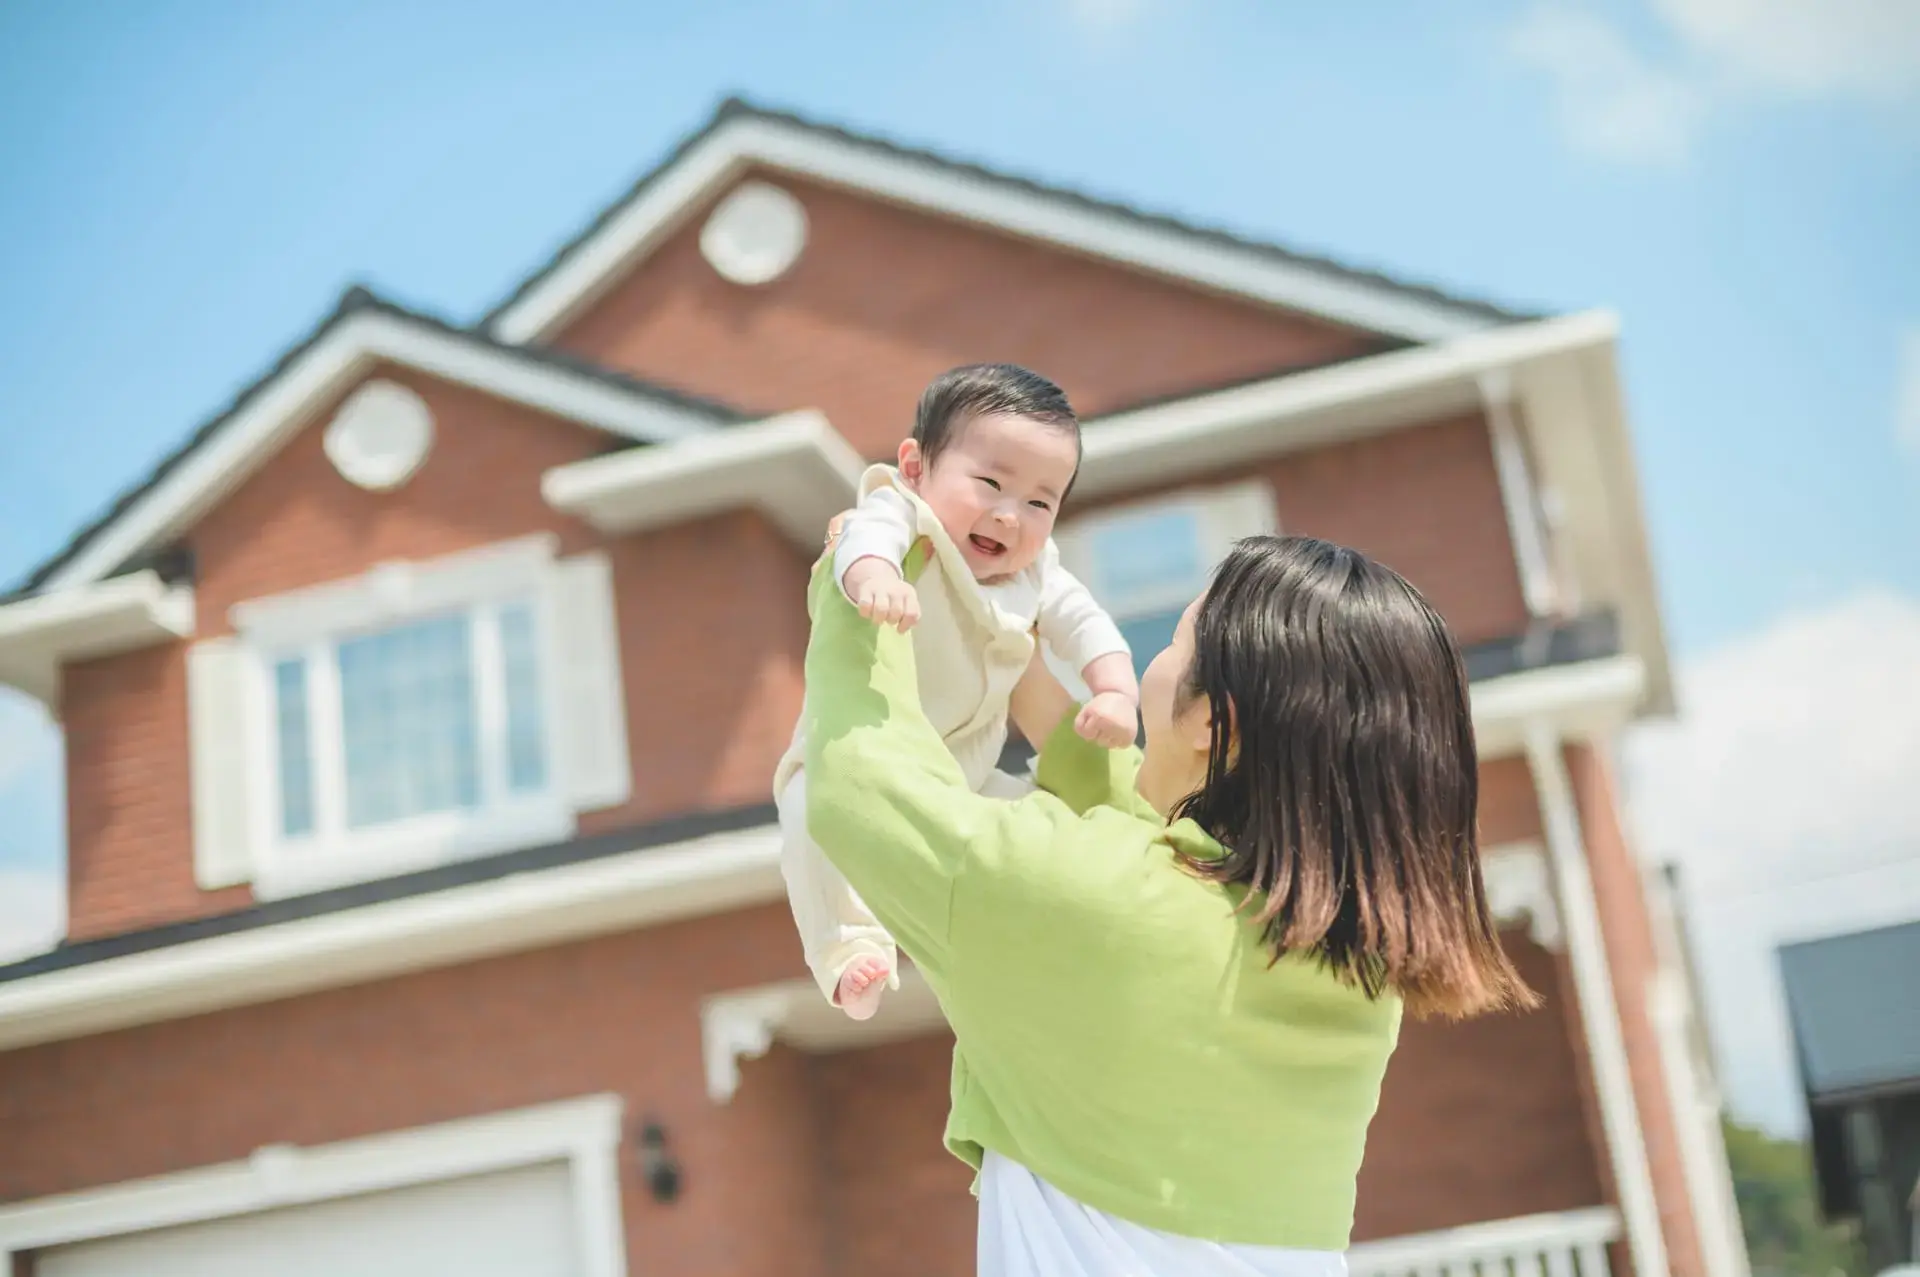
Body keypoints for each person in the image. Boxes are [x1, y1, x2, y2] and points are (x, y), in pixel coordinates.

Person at [800, 532, 1539, 1275]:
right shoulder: (1354, 971)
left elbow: (859, 782)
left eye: (1175, 636)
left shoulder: (1095, 898)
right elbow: (1148, 833)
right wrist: (1004, 635)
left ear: (1214, 720)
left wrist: (869, 567)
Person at [774, 363, 1139, 1020]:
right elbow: (861, 536)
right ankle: (849, 951)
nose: (1009, 515)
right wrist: (876, 576)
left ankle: (1061, 952)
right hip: (860, 757)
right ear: (916, 466)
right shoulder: (903, 515)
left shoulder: (1036, 570)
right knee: (808, 813)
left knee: (1048, 827)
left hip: (966, 772)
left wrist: (1113, 691)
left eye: (1039, 502)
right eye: (991, 483)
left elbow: (1085, 623)